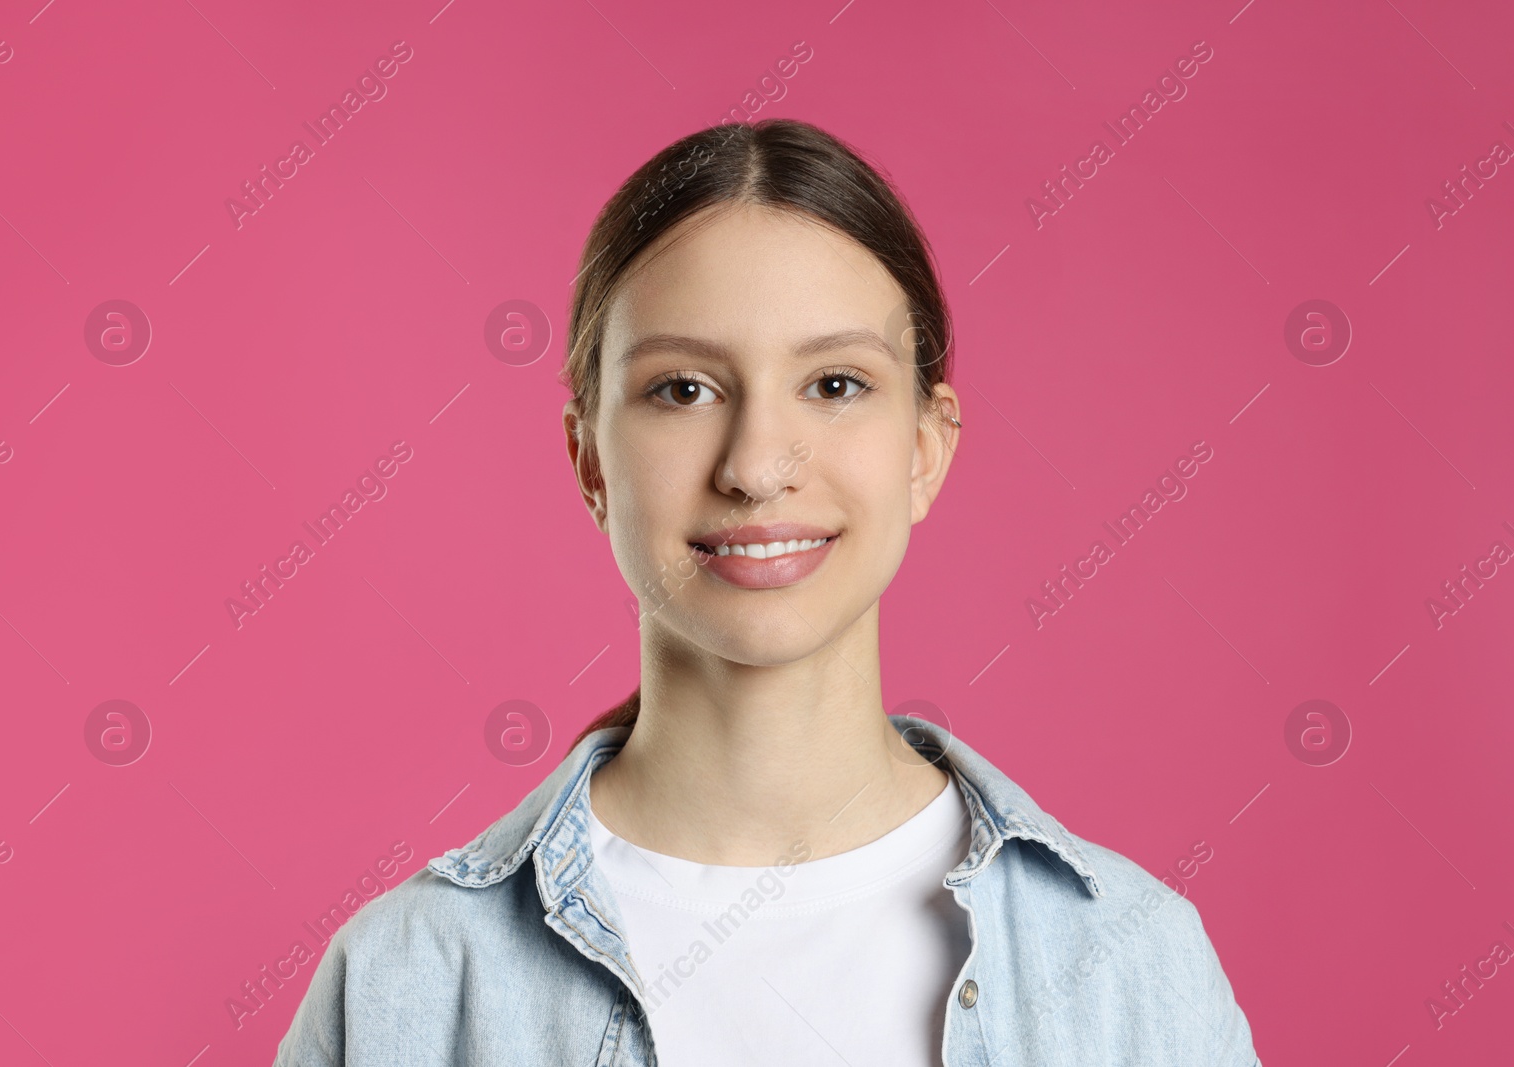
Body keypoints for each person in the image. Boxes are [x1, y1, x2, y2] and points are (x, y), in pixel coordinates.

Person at [272, 117, 1260, 1066]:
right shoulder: (404, 980)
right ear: (588, 461)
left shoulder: (1132, 966)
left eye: (833, 384)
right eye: (682, 389)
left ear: (925, 448)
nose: (754, 465)